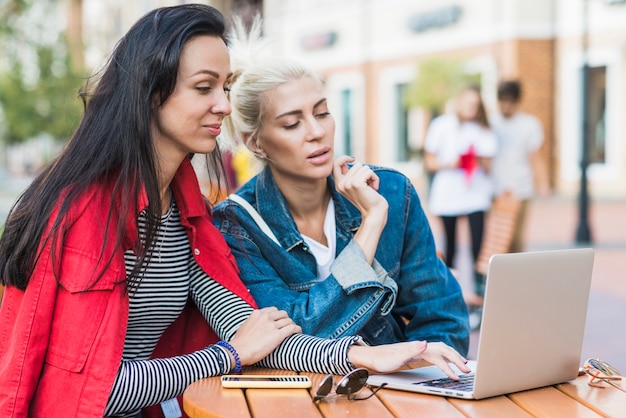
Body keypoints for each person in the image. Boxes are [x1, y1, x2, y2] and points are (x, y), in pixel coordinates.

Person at [0, 5, 470, 417]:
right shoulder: (87, 216)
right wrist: (225, 356)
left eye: (224, 86)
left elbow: (256, 332)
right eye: (205, 88)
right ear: (149, 92)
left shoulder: (187, 215)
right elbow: (93, 389)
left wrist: (362, 357)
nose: (224, 105)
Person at [212, 17, 470, 356]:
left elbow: (442, 315)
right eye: (292, 123)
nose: (316, 132)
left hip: (394, 394)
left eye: (322, 114)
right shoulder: (237, 224)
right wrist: (370, 226)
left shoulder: (391, 191)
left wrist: (425, 374)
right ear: (256, 143)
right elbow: (296, 336)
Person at [423, 85, 497, 300]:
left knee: (478, 246)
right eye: (466, 103)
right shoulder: (441, 125)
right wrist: (451, 163)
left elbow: (491, 165)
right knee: (451, 246)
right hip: (448, 195)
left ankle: (480, 293)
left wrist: (478, 160)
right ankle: (450, 293)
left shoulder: (485, 129)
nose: (470, 108)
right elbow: (430, 162)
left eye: (474, 104)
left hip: (476, 195)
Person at [490, 80, 550, 253]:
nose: (506, 106)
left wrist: (543, 184)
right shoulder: (491, 122)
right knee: (497, 241)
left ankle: (515, 278)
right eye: (502, 101)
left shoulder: (529, 124)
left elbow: (536, 157)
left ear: (517, 101)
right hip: (495, 188)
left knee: (516, 240)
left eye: (510, 101)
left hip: (521, 188)